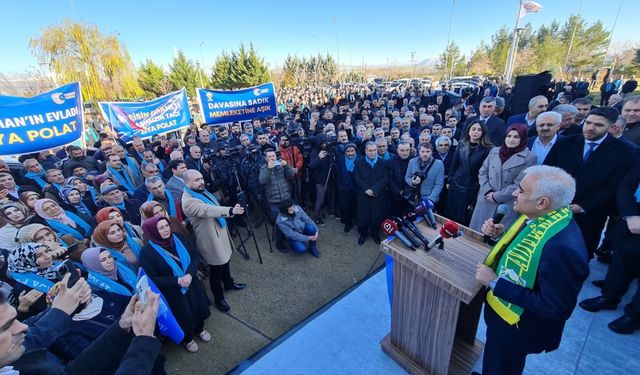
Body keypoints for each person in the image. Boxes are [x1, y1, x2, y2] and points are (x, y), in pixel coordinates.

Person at [474, 165, 589, 375]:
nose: (515, 193)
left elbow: (556, 307)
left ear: (542, 202)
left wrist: (494, 282)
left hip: (519, 329)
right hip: (504, 321)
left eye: (521, 190)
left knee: (503, 367)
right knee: (494, 360)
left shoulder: (564, 248)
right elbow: (529, 254)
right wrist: (502, 236)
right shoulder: (546, 217)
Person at [544, 107, 636, 258]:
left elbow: (616, 187)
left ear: (611, 127)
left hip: (590, 216)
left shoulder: (625, 152)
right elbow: (548, 171)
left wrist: (584, 206)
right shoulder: (565, 143)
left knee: (579, 256)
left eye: (598, 125)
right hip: (554, 208)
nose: (590, 128)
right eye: (588, 123)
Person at [578, 163, 640, 334]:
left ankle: (634, 315)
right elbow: (626, 185)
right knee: (622, 260)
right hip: (633, 217)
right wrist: (631, 214)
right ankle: (609, 297)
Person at [140, 216, 211, 353]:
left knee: (198, 307)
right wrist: (177, 281)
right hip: (173, 292)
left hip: (191, 283)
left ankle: (200, 329)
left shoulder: (178, 237)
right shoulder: (147, 252)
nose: (166, 230)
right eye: (161, 228)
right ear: (152, 231)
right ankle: (188, 339)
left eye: (166, 225)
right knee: (183, 315)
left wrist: (189, 274)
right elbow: (152, 279)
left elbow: (195, 256)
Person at [181, 170, 246, 313]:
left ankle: (229, 283)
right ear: (186, 182)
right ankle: (219, 299)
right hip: (210, 240)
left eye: (201, 178)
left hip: (218, 233)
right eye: (197, 180)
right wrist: (230, 210)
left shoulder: (198, 191)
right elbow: (207, 209)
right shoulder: (189, 200)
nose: (201, 182)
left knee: (226, 261)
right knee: (216, 271)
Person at [470, 124, 537, 232]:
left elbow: (519, 184)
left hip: (505, 203)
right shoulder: (494, 151)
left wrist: (497, 196)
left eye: (516, 137)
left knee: (495, 234)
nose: (511, 140)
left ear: (523, 138)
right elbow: (483, 172)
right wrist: (488, 191)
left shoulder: (530, 158)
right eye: (509, 136)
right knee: (476, 233)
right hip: (486, 199)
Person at [446, 121, 493, 225]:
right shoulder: (462, 144)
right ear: (468, 131)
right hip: (456, 183)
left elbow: (484, 171)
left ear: (483, 133)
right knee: (451, 213)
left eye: (479, 130)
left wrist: (477, 187)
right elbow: (454, 164)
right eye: (473, 129)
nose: (476, 132)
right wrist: (450, 180)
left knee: (463, 216)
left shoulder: (488, 149)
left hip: (471, 186)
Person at [259, 149, 295, 251]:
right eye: (269, 157)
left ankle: (289, 236)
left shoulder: (281, 164)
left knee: (289, 218)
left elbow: (292, 175)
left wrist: (286, 166)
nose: (272, 158)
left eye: (273, 156)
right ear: (266, 158)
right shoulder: (264, 168)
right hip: (274, 200)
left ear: (276, 156)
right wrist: (269, 169)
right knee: (278, 222)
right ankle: (279, 242)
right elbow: (262, 181)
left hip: (286, 198)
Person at [354, 141, 389, 245]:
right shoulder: (359, 162)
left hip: (377, 194)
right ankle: (363, 233)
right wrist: (367, 189)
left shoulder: (383, 162)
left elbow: (385, 178)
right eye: (370, 150)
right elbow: (357, 178)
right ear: (365, 151)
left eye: (374, 150)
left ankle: (375, 233)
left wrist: (374, 190)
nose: (373, 153)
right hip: (363, 194)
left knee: (376, 215)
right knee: (363, 215)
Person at [335, 143, 361, 233]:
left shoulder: (360, 159)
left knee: (356, 206)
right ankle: (348, 223)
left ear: (355, 151)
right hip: (343, 188)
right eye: (348, 151)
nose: (350, 153)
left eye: (352, 151)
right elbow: (338, 173)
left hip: (356, 189)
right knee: (345, 206)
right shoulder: (340, 159)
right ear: (345, 152)